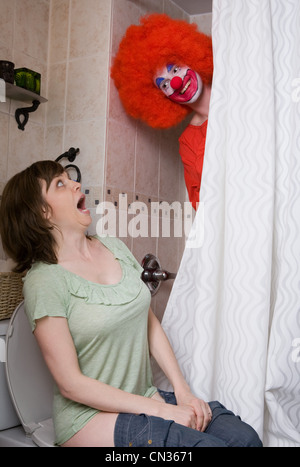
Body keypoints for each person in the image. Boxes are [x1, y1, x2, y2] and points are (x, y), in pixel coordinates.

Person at [0, 160, 262, 447]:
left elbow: (149, 323)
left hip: (142, 400)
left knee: (244, 438)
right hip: (87, 420)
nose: (75, 183)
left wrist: (182, 391)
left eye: (69, 178)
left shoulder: (113, 246)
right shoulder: (44, 280)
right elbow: (70, 383)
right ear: (41, 212)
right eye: (60, 184)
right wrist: (164, 411)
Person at [111, 13, 213, 210]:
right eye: (164, 84)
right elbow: (201, 204)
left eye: (175, 69)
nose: (176, 83)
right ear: (162, 97)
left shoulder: (240, 93)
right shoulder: (189, 143)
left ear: (190, 57)